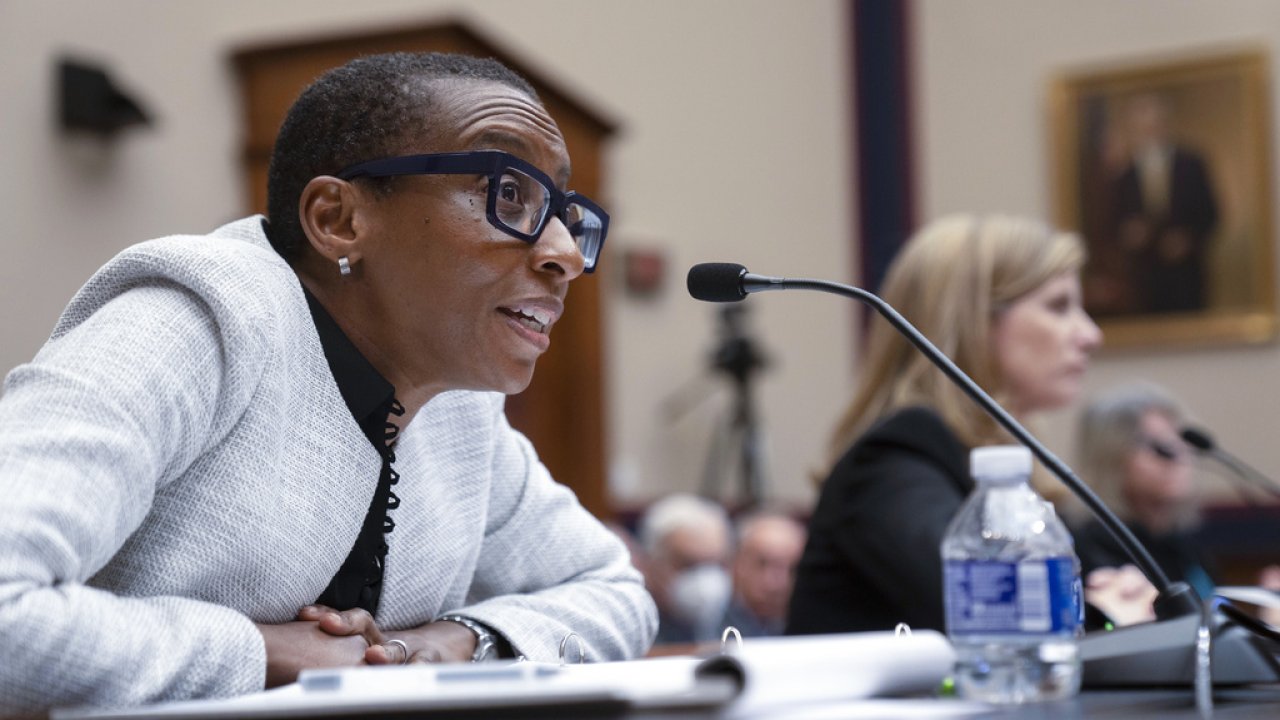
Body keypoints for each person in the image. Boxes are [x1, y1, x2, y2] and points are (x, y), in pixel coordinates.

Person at [0, 52, 656, 715]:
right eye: (508, 193)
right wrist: (260, 655)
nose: (566, 255)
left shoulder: (460, 408)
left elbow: (613, 591)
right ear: (338, 220)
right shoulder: (193, 323)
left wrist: (450, 644)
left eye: (565, 214)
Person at [786, 214, 1104, 636]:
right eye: (1059, 306)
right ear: (973, 322)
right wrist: (1111, 615)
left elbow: (1092, 587)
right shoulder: (892, 461)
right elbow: (995, 611)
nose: (1091, 335)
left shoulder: (1002, 466)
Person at [1072, 382, 1217, 602]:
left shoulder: (1180, 542)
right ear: (1110, 456)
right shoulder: (1090, 551)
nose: (1177, 454)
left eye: (1181, 440)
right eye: (1159, 445)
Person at [1109, 93, 1219, 315]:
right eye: (1143, 127)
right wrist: (1130, 235)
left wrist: (1188, 239)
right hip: (1143, 280)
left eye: (1155, 124)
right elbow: (1112, 224)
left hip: (1187, 276)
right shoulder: (1124, 176)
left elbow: (1212, 214)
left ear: (1166, 124)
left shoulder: (1192, 164)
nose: (1150, 132)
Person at [638, 493, 732, 645]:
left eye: (714, 564)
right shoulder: (633, 631)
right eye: (689, 565)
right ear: (651, 563)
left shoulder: (736, 627)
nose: (705, 581)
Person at [720, 511, 806, 637]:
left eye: (792, 569)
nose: (776, 584)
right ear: (736, 563)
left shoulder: (812, 628)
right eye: (762, 564)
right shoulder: (705, 623)